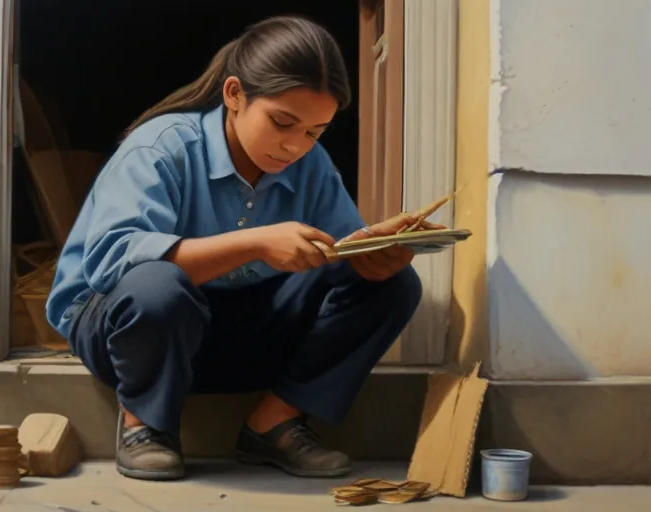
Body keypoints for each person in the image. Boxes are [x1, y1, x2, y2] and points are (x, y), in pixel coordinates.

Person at [46, 15, 435, 482]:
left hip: (235, 338)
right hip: (133, 334)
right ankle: (144, 425)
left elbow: (339, 255)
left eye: (315, 132)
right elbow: (113, 263)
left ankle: (275, 423)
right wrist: (254, 244)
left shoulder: (312, 165)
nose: (295, 146)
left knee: (396, 285)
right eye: (282, 122)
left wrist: (373, 258)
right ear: (235, 95)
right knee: (156, 283)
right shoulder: (162, 149)